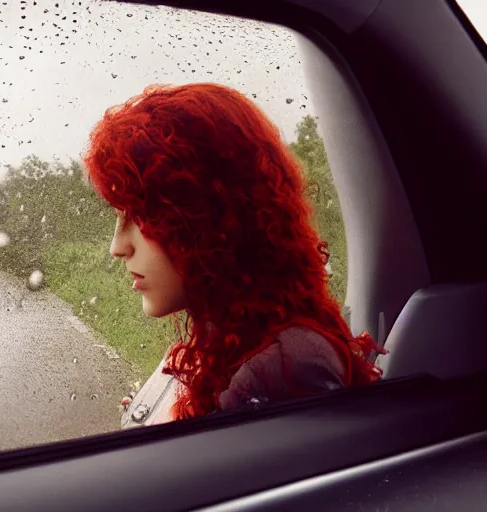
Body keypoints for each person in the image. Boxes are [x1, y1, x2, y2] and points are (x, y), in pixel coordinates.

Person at [82, 83, 385, 428]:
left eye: (143, 216)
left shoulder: (284, 367)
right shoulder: (217, 343)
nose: (117, 246)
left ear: (213, 217)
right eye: (120, 215)